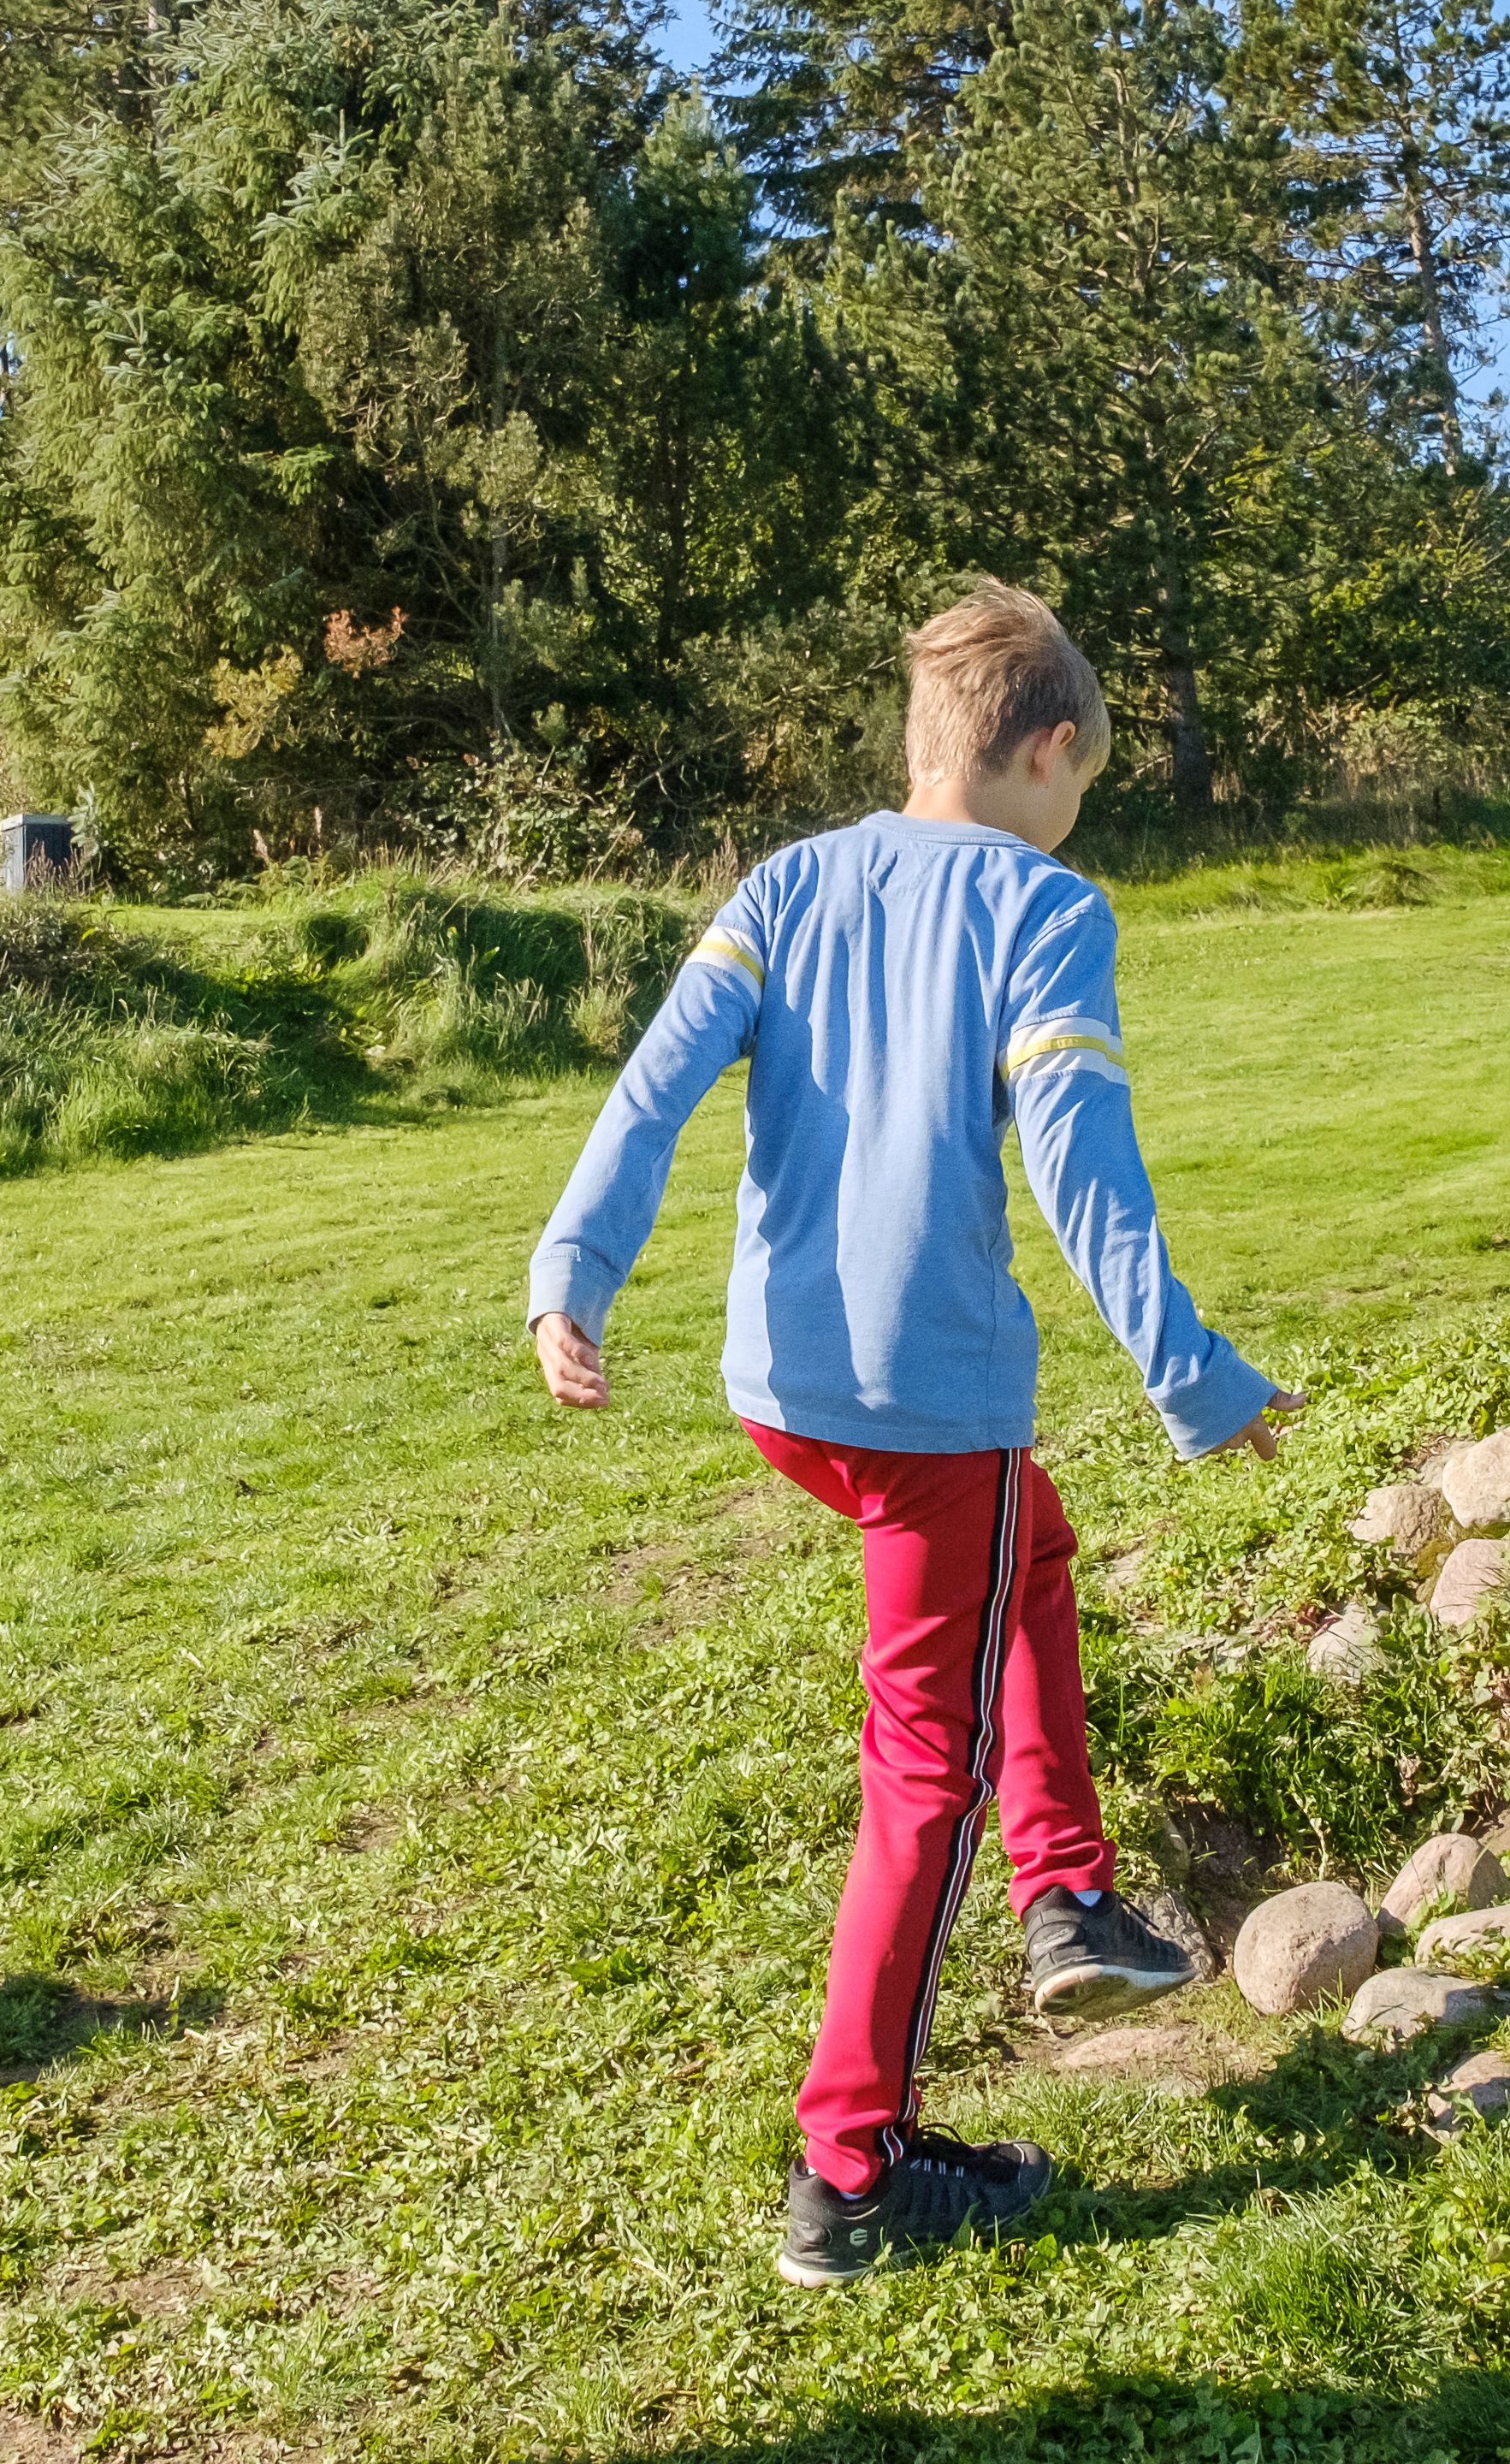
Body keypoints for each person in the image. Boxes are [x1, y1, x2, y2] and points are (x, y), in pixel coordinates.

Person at [526, 578, 1294, 2288]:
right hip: (922, 1403)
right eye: (1077, 786)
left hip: (779, 1393)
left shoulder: (787, 880)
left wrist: (568, 1269)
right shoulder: (1044, 907)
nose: (1069, 816)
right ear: (1043, 750)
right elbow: (1079, 1166)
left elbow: (654, 1084)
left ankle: (1071, 1890)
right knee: (915, 1777)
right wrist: (1191, 1374)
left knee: (1038, 1542)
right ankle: (850, 2166)